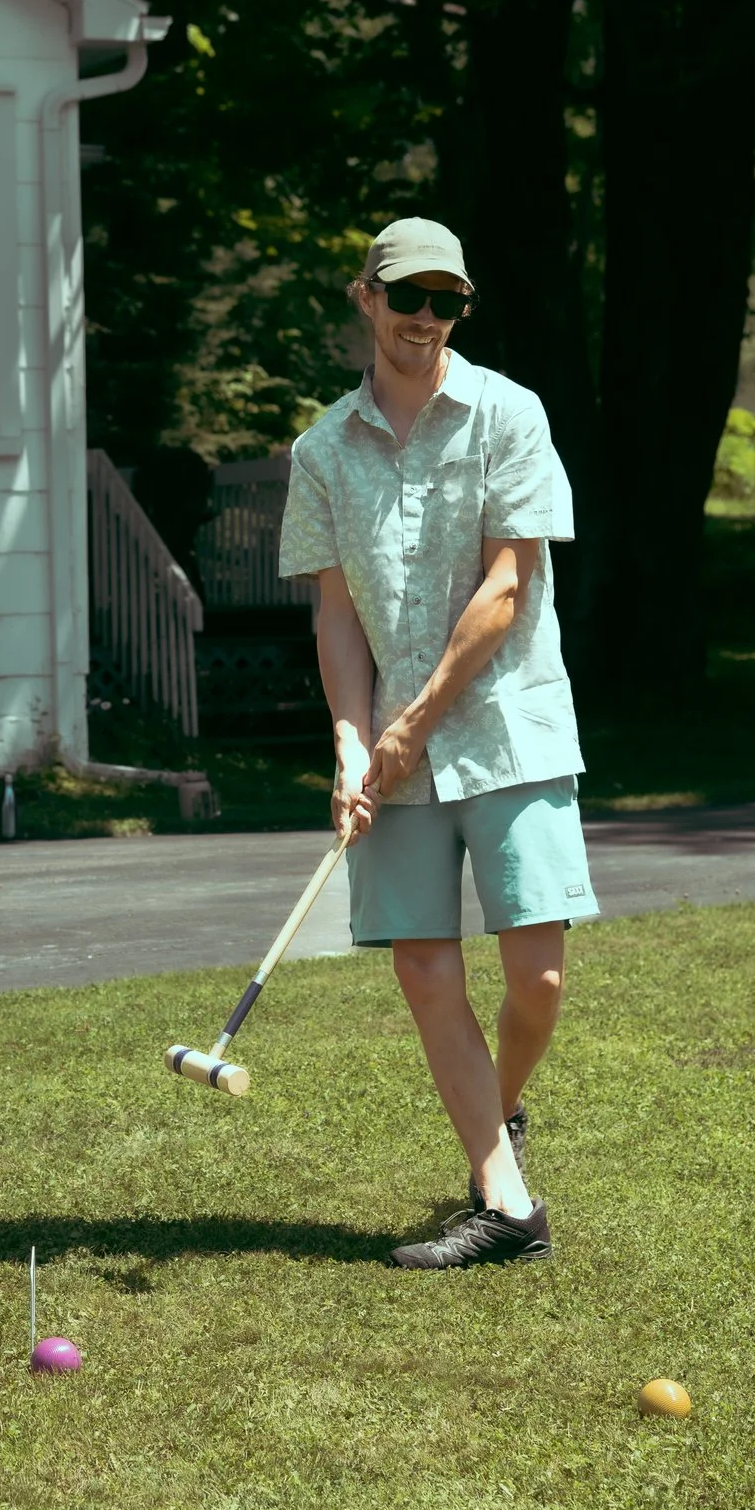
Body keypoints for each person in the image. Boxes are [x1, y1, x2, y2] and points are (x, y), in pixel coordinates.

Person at [278, 220, 597, 1269]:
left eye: (445, 301)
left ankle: (491, 1116)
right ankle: (506, 1202)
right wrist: (347, 739)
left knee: (537, 978)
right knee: (424, 966)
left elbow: (506, 585)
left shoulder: (509, 414)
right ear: (363, 295)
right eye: (407, 295)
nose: (425, 318)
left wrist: (409, 722)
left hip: (508, 727)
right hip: (389, 756)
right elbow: (334, 616)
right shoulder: (320, 450)